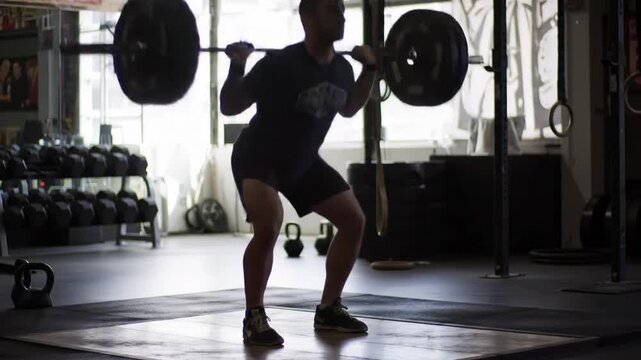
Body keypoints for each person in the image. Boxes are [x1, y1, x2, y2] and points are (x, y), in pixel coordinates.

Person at [220, 0, 377, 347]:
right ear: (308, 16)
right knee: (269, 223)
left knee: (354, 220)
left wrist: (369, 71)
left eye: (342, 10)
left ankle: (329, 308)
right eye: (332, 10)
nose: (342, 16)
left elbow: (350, 107)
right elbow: (230, 107)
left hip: (302, 160)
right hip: (258, 157)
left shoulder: (341, 69)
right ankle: (254, 318)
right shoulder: (279, 64)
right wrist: (237, 66)